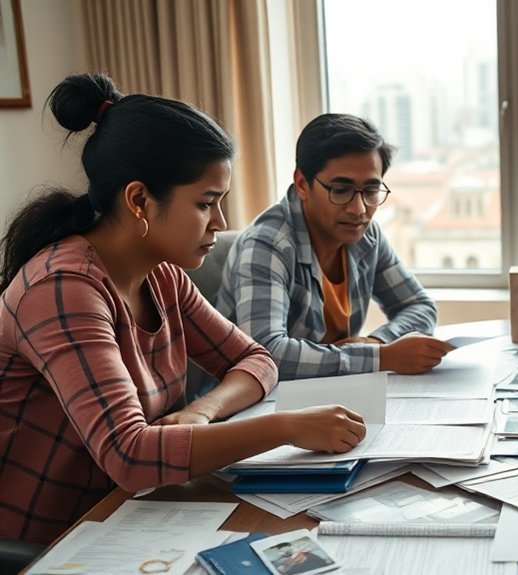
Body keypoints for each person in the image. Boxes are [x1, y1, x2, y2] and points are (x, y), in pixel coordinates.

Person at [0, 74, 367, 544]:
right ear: (139, 201)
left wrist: (205, 408)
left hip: (132, 517)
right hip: (43, 544)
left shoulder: (162, 275)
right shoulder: (63, 287)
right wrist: (287, 427)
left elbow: (257, 360)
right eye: (205, 203)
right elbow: (129, 454)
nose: (221, 223)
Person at [217, 114, 452, 379]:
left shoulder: (366, 234)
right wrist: (382, 357)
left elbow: (420, 306)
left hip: (328, 393)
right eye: (341, 190)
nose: (359, 209)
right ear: (303, 184)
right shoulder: (269, 244)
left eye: (371, 191)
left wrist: (377, 342)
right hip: (257, 403)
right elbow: (266, 355)